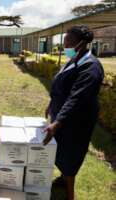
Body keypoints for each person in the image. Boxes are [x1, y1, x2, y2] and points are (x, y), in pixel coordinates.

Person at [43, 25, 104, 200]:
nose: (65, 45)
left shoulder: (91, 67)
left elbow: (76, 98)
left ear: (82, 43)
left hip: (77, 120)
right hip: (62, 115)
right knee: (60, 149)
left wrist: (56, 122)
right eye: (64, 41)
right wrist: (51, 103)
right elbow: (61, 86)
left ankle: (70, 193)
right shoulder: (74, 59)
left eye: (69, 41)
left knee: (71, 154)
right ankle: (63, 180)